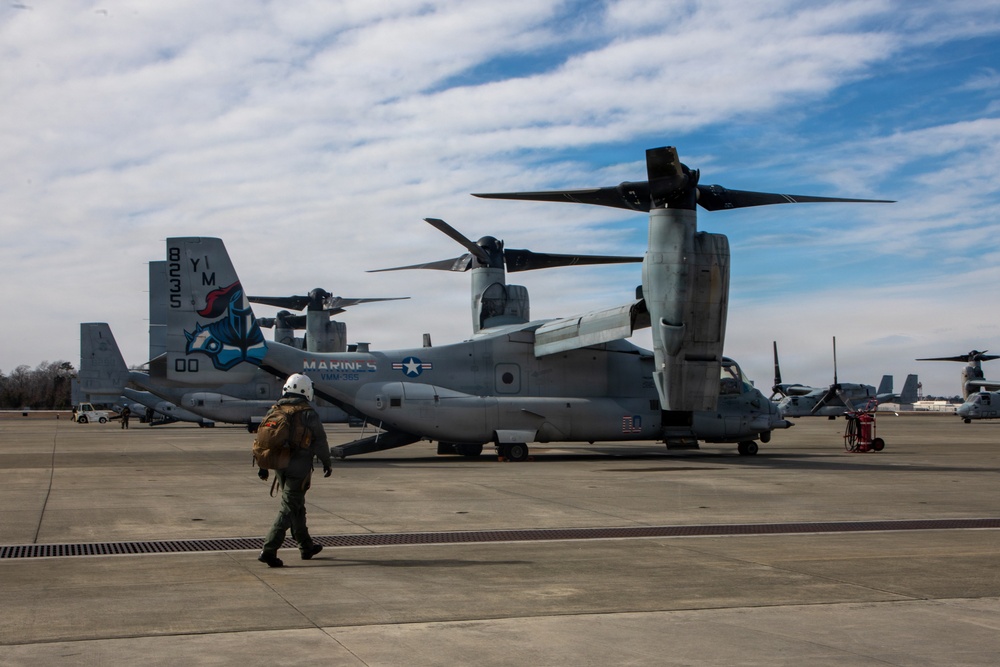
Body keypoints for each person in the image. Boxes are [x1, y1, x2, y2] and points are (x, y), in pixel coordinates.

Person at [257, 373, 332, 568]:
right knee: (289, 507)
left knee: (296, 504)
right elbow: (320, 441)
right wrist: (326, 462)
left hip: (279, 465)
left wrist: (263, 467)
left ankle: (306, 546)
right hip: (298, 467)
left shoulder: (275, 409)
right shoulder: (307, 412)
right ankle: (269, 549)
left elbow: (263, 440)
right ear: (307, 391)